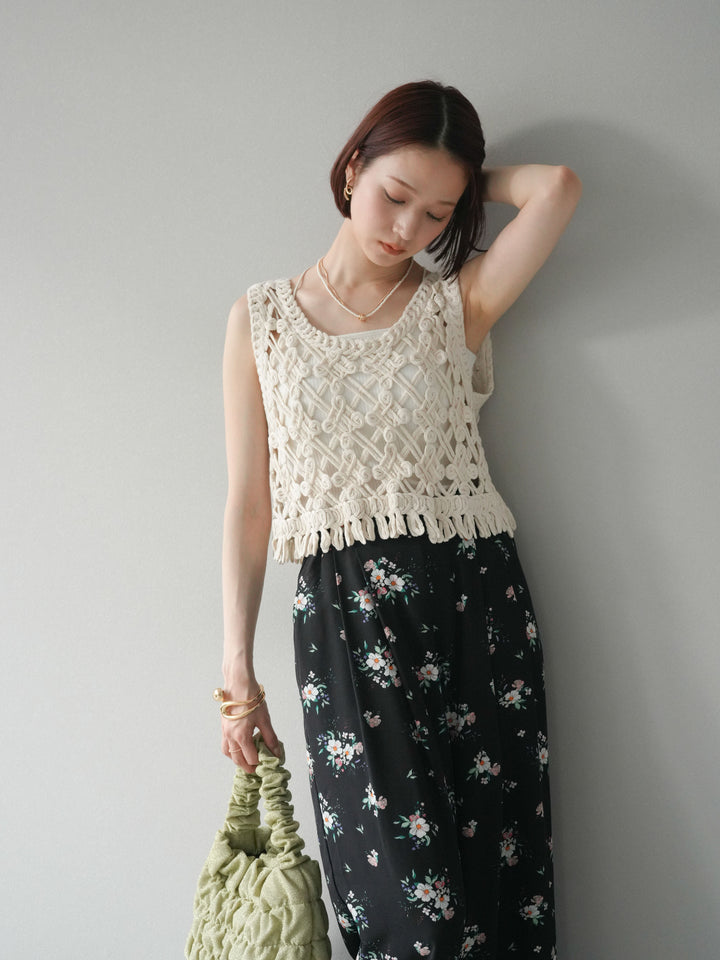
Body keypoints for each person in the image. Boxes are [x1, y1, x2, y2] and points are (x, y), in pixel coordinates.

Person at [217, 80, 581, 960]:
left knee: (499, 892)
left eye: (437, 214)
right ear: (352, 168)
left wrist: (462, 182)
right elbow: (250, 502)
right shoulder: (261, 320)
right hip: (347, 618)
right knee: (409, 916)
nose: (408, 228)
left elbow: (557, 188)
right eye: (394, 195)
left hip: (475, 602)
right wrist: (236, 669)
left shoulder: (457, 303)